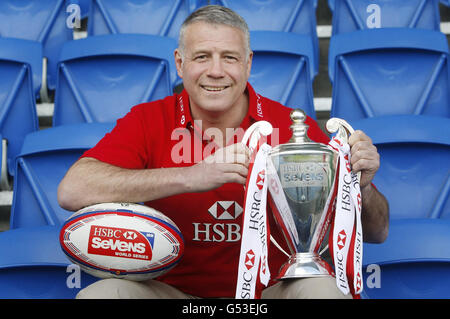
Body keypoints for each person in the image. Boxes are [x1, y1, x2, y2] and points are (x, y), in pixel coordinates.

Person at [58, 5, 389, 299]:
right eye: (202, 56)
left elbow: (378, 232)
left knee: (321, 291)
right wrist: (193, 176)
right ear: (180, 63)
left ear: (247, 64)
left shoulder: (290, 128)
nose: (215, 71)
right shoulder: (148, 120)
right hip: (174, 292)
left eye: (229, 57)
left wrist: (361, 185)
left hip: (269, 293)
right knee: (104, 295)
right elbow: (73, 190)